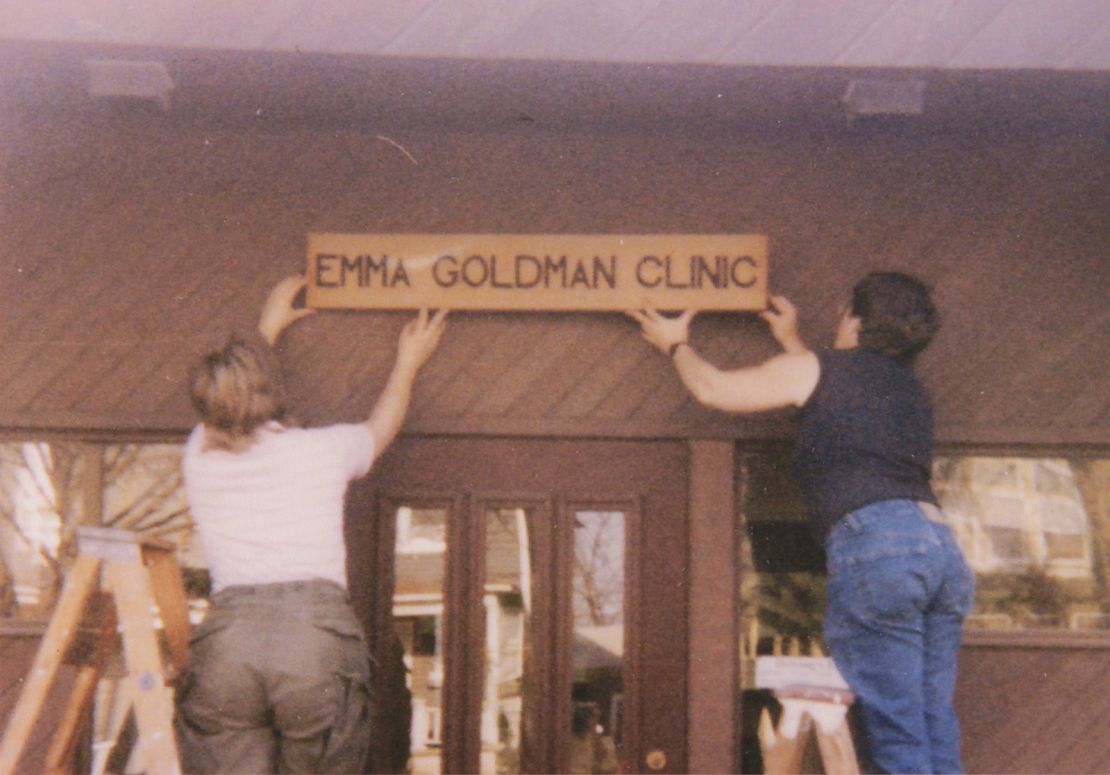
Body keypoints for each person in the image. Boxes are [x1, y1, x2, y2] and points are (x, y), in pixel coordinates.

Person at [628, 272, 974, 774]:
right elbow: (830, 394)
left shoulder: (819, 370)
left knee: (898, 730)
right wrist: (788, 339)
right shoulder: (909, 391)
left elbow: (712, 388)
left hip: (880, 546)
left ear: (855, 322)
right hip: (939, 549)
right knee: (930, 719)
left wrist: (675, 343)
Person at [175, 275, 447, 774]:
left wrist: (265, 330)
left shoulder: (199, 456)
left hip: (228, 643)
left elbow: (225, 401)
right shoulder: (323, 450)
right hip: (313, 641)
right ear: (269, 393)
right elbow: (382, 426)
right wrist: (408, 362)